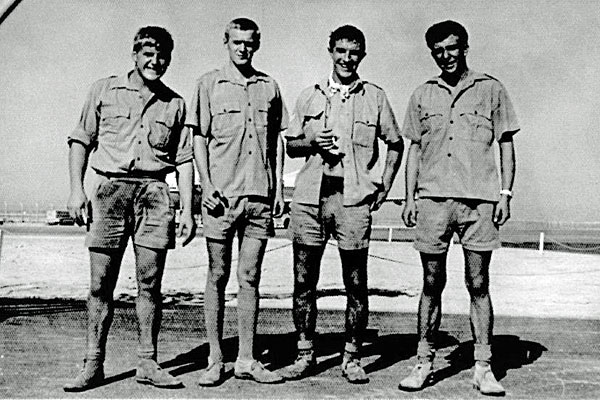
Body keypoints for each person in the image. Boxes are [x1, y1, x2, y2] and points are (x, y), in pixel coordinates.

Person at [64, 26, 196, 392]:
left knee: (150, 283)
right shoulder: (104, 90)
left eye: (162, 56)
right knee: (100, 284)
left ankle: (148, 362)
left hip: (154, 194)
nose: (156, 62)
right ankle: (93, 364)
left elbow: (184, 160)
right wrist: (76, 191)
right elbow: (80, 140)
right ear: (134, 55)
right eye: (148, 54)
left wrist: (187, 209)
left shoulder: (175, 103)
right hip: (110, 192)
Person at [398, 20, 519, 396]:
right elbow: (414, 149)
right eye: (437, 50)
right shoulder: (422, 93)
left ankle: (483, 367)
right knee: (431, 283)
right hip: (433, 200)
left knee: (478, 283)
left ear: (464, 48)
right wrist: (409, 198)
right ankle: (424, 361)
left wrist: (505, 194)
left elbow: (506, 144)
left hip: (479, 201)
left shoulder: (491, 89)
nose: (445, 56)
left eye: (451, 48)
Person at [281, 25, 404, 384]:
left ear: (362, 55)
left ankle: (352, 357)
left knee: (356, 283)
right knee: (304, 281)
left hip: (352, 201)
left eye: (354, 52)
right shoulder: (310, 95)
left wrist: (384, 186)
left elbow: (396, 143)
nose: (347, 59)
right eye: (341, 51)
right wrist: (312, 141)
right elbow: (291, 146)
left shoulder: (374, 97)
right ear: (330, 52)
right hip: (310, 198)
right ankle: (305, 353)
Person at [188, 18, 288, 386]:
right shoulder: (209, 84)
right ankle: (215, 359)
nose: (243, 48)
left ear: (256, 45)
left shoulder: (269, 87)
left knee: (250, 277)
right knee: (217, 275)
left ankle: (246, 359)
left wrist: (278, 189)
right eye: (237, 42)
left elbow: (276, 141)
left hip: (259, 196)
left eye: (249, 43)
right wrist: (206, 184)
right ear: (226, 42)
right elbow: (198, 138)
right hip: (220, 198)